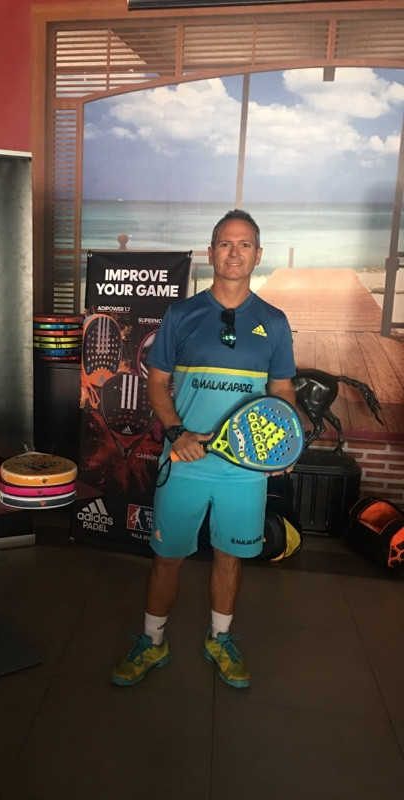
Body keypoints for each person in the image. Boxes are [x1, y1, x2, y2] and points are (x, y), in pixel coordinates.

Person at [110, 209, 297, 689]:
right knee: (167, 558)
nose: (235, 253)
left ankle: (220, 638)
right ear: (211, 253)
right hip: (185, 462)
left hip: (244, 471)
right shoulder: (182, 314)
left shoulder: (274, 322)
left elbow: (281, 390)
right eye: (225, 244)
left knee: (229, 557)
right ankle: (153, 641)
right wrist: (177, 434)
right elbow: (156, 382)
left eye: (244, 244)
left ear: (258, 254)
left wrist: (280, 444)